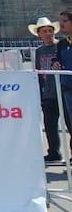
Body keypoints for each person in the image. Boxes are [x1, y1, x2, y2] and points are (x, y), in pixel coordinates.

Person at [30, 17, 63, 164]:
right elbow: (38, 71)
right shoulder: (39, 51)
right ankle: (54, 152)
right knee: (50, 125)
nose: (48, 34)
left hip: (63, 90)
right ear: (39, 34)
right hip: (48, 93)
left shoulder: (61, 46)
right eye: (44, 31)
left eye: (50, 30)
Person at [52, 10, 72, 160]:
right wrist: (55, 64)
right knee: (70, 125)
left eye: (65, 21)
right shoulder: (62, 44)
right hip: (67, 90)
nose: (61, 24)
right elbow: (56, 59)